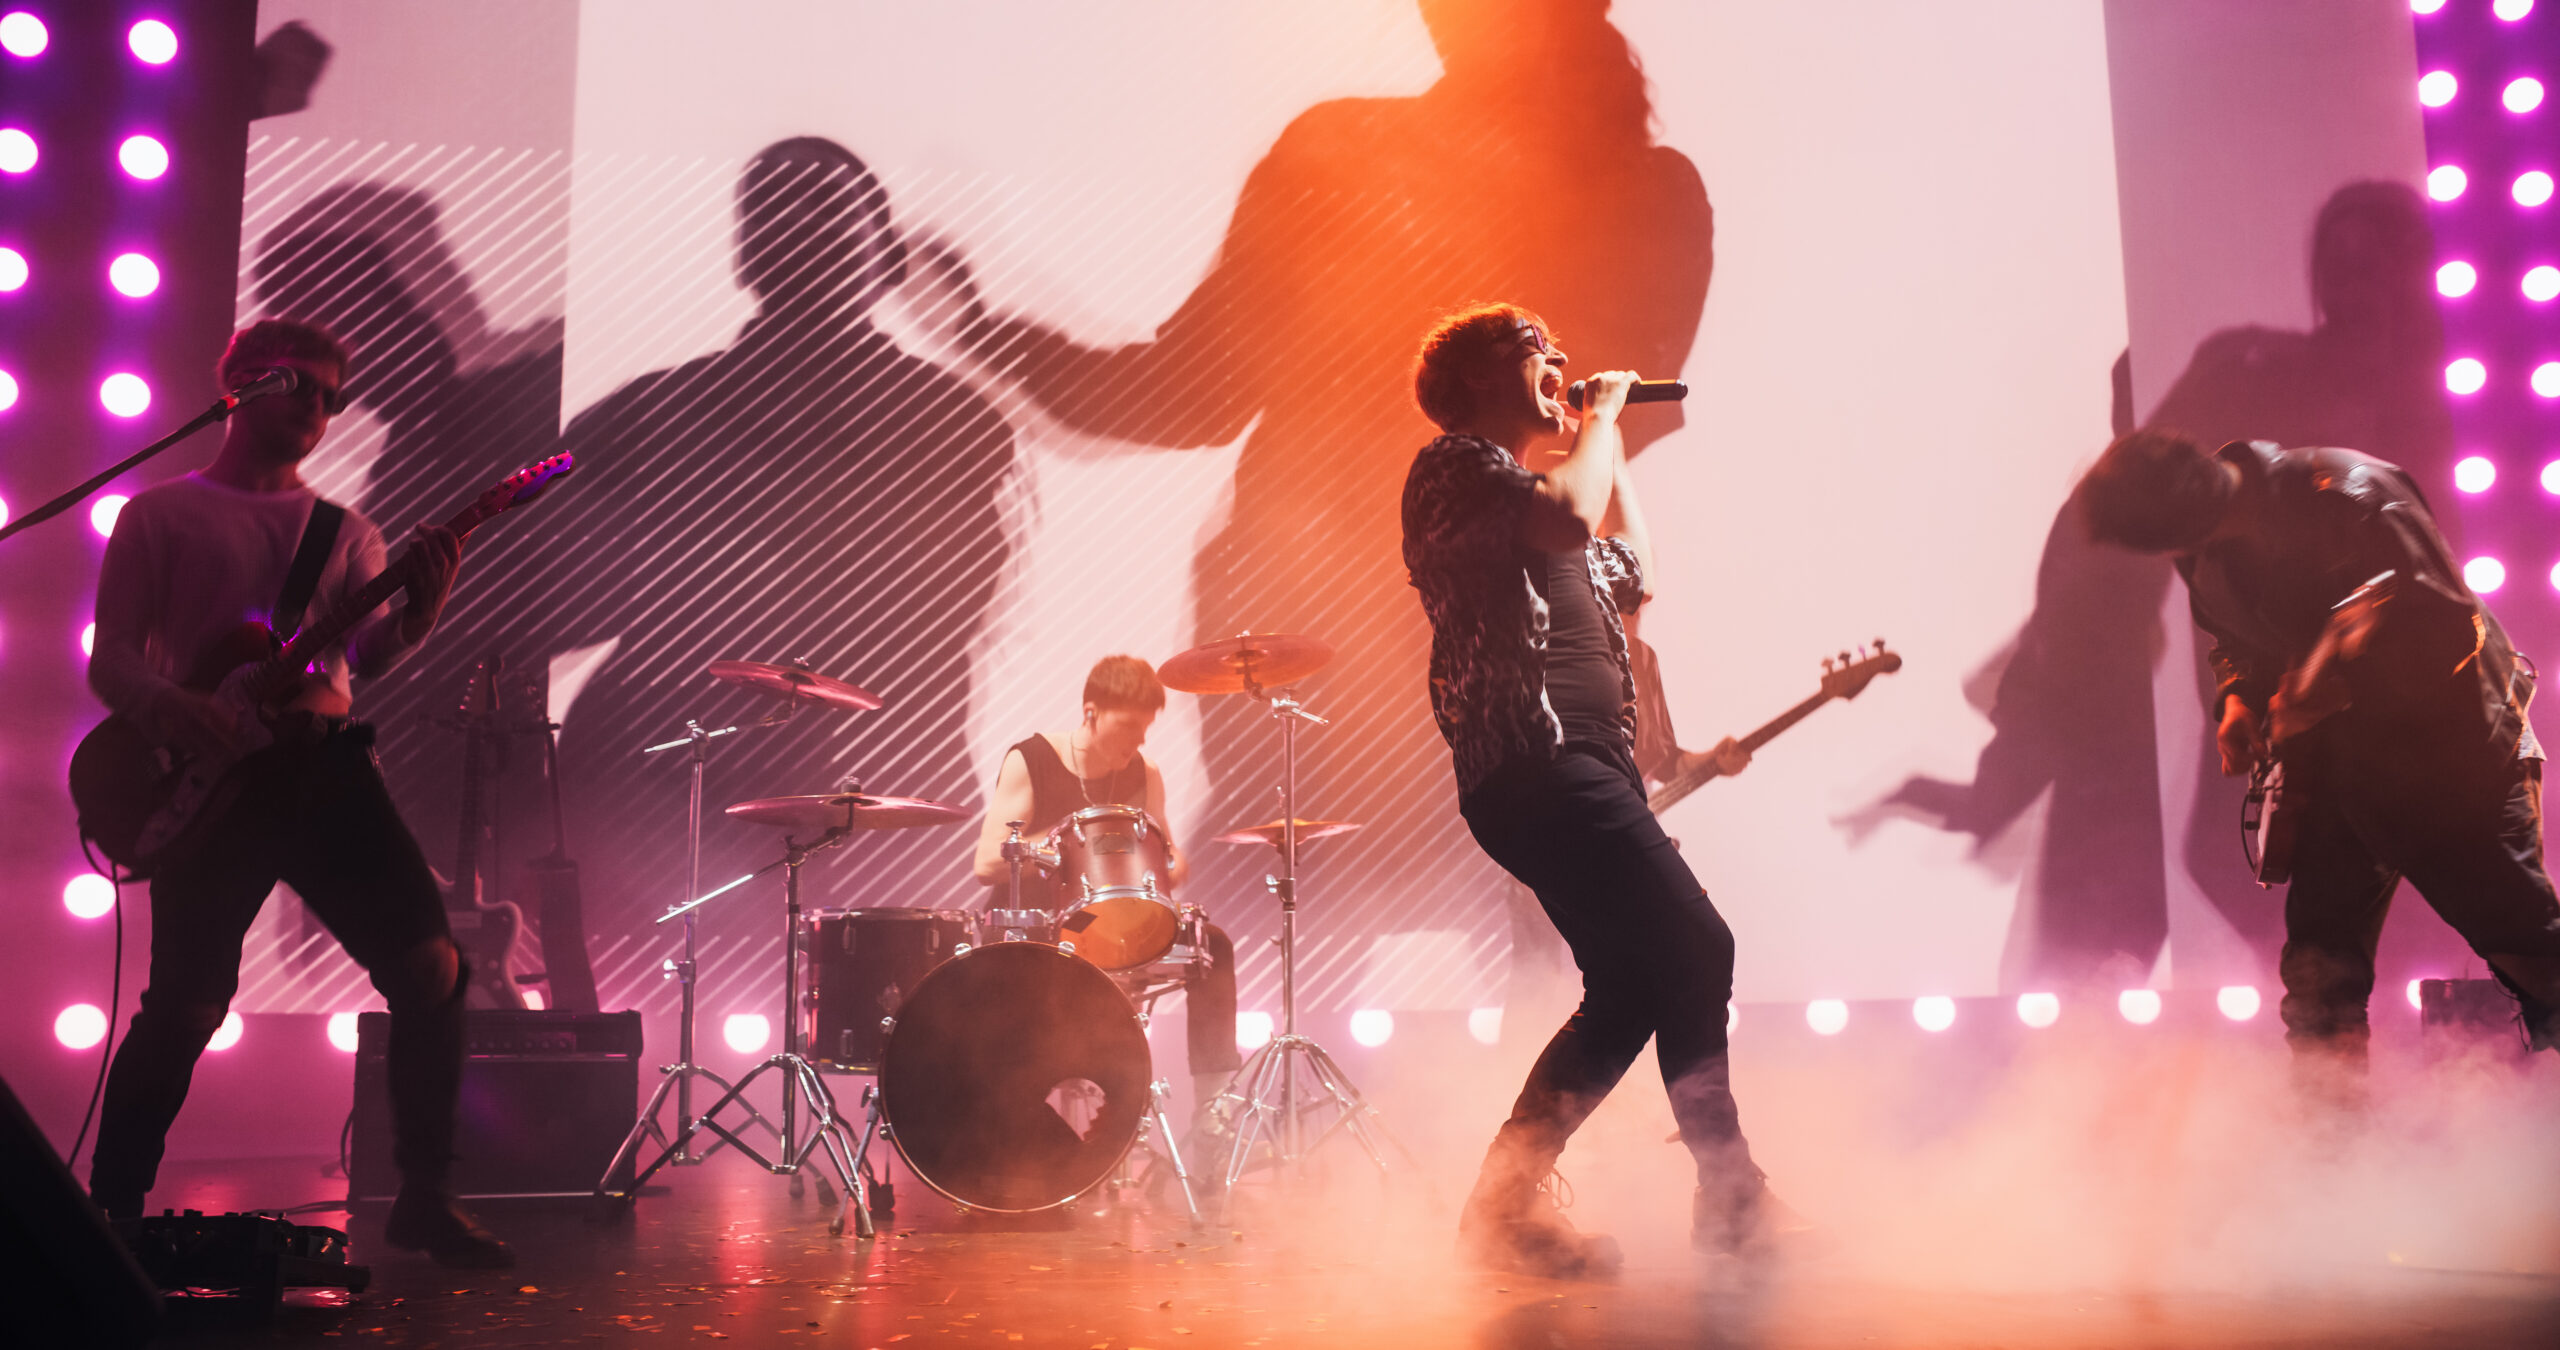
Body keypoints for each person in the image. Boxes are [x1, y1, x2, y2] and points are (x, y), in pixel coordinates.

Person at [85, 319, 511, 1267]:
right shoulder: (158, 515)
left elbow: (364, 657)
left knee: (432, 969)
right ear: (237, 381)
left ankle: (426, 1196)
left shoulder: (345, 531)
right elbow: (109, 660)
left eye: (333, 394)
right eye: (300, 385)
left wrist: (422, 616)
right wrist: (174, 709)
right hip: (209, 780)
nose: (319, 407)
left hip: (324, 767)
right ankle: (108, 1209)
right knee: (188, 1006)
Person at [1401, 305, 1768, 1277]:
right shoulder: (1455, 468)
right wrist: (1597, 423)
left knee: (1633, 989)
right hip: (1534, 760)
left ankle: (1502, 1213)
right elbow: (1570, 516)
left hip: (1586, 768)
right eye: (1538, 354)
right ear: (1481, 378)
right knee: (1699, 945)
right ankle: (1731, 1198)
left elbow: (1630, 566)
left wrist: (1612, 431)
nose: (1562, 364)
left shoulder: (1542, 484)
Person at [2079, 428, 2560, 1098]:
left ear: (2186, 518)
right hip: (2338, 778)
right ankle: (2329, 1159)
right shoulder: (2204, 549)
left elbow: (2446, 631)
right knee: (2317, 980)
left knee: (2530, 955)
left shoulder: (2355, 497)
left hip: (2453, 765)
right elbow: (2236, 642)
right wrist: (2239, 702)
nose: (2176, 557)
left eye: (2168, 542)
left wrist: (2334, 689)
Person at [970, 656, 1242, 1118]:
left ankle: (1215, 1118)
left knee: (1212, 947)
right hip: (1037, 930)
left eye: (1147, 727)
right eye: (1131, 725)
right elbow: (986, 863)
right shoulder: (1031, 758)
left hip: (1110, 929)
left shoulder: (1144, 771)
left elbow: (1165, 857)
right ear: (1091, 712)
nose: (1140, 738)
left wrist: (1171, 864)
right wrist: (1068, 846)